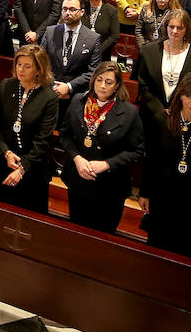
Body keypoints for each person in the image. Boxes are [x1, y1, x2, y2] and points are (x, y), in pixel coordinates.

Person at [139, 71, 191, 256]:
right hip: (162, 200)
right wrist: (144, 192)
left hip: (190, 206)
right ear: (180, 95)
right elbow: (151, 160)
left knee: (181, 257)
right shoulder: (162, 120)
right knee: (153, 255)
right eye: (188, 96)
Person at [59, 61, 143, 233]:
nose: (103, 86)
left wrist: (107, 164)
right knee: (76, 232)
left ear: (117, 85)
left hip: (110, 187)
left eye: (109, 82)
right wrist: (77, 158)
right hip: (79, 180)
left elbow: (137, 151)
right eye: (99, 80)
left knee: (103, 237)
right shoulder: (78, 101)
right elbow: (65, 136)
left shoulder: (129, 112)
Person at [0, 44, 59, 214]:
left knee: (28, 222)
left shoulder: (49, 97)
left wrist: (22, 169)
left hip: (33, 169)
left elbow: (43, 140)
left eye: (27, 66)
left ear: (38, 69)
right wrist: (6, 152)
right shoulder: (6, 86)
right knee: (0, 215)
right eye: (19, 64)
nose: (21, 70)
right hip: (5, 163)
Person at [134, 10, 191, 131]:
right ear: (166, 27)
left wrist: (176, 109)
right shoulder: (149, 51)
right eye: (171, 27)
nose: (175, 31)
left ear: (187, 29)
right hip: (151, 113)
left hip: (183, 115)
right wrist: (159, 110)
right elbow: (144, 85)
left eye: (180, 28)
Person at [44, 0, 103, 115]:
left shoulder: (93, 38)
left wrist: (68, 87)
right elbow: (41, 64)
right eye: (64, 9)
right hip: (49, 94)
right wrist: (55, 87)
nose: (67, 13)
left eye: (72, 10)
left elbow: (93, 71)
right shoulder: (50, 32)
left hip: (77, 98)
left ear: (81, 12)